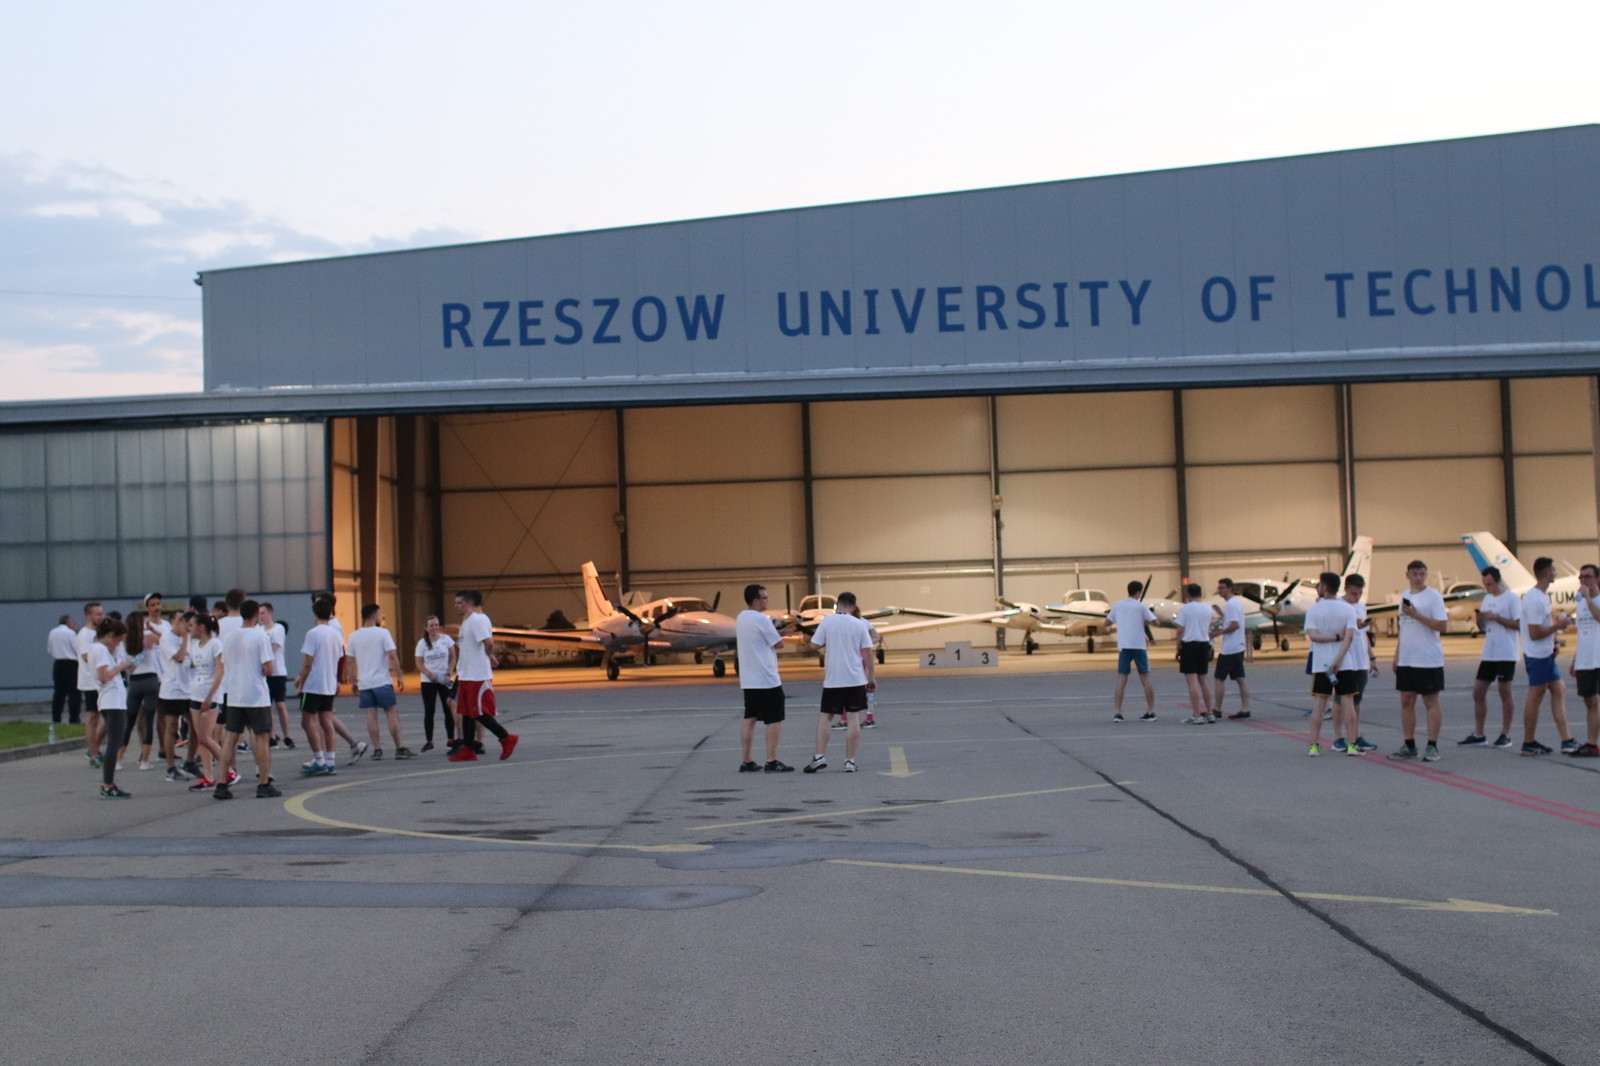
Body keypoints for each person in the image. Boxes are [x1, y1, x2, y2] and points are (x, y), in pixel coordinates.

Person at [209, 599, 278, 799]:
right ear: (256, 615)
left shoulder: (229, 637)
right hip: (255, 694)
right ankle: (263, 783)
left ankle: (222, 783)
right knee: (261, 737)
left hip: (234, 693)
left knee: (229, 739)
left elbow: (225, 663)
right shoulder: (260, 636)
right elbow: (268, 668)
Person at [803, 591, 876, 773]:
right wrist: (871, 678)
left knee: (826, 717)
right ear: (853, 607)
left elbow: (814, 645)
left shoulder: (827, 622)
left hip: (834, 679)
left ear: (837, 606)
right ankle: (850, 761)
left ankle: (820, 756)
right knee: (853, 717)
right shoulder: (859, 624)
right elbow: (868, 653)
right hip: (855, 679)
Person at [448, 590, 518, 762]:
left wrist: (488, 654)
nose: (456, 606)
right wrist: (489, 656)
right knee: (466, 713)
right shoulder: (467, 621)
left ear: (469, 603)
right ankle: (468, 749)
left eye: (459, 603)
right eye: (455, 603)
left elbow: (488, 642)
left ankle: (505, 737)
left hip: (476, 675)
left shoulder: (477, 620)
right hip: (466, 674)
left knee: (478, 712)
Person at [1390, 559, 1448, 762]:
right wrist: (1397, 655)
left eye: (1422, 573)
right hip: (1408, 658)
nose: (1418, 577)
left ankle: (1432, 745)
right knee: (1406, 700)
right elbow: (1404, 628)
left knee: (1430, 701)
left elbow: (1441, 625)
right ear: (1407, 575)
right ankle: (1409, 744)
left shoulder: (1433, 597)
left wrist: (1416, 615)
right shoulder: (1405, 596)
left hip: (1427, 658)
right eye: (1414, 574)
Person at [1519, 556, 1576, 756]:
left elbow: (1543, 626)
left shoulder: (1543, 596)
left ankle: (1567, 739)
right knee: (1536, 695)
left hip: (1546, 653)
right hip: (1537, 655)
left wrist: (1554, 642)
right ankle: (1529, 741)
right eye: (1553, 570)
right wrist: (1557, 626)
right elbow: (1535, 633)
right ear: (1548, 573)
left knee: (1559, 689)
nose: (1555, 573)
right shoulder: (1534, 599)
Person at [1459, 566, 1520, 748]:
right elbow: (1484, 627)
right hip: (1489, 652)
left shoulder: (1511, 598)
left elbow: (1518, 624)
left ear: (1498, 581)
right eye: (1485, 584)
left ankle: (1506, 733)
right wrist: (1480, 620)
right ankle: (1479, 733)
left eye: (1490, 584)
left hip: (1506, 652)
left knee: (1504, 692)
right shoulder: (1487, 599)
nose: (1488, 588)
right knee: (1478, 692)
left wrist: (1497, 618)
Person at [735, 584, 794, 772]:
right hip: (766, 678)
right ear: (756, 601)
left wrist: (778, 633)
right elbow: (779, 645)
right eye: (764, 598)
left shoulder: (741, 618)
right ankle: (771, 760)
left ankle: (746, 760)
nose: (767, 601)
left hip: (749, 678)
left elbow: (758, 638)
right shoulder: (762, 619)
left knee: (750, 717)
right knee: (774, 718)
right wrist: (780, 635)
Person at [348, 603, 413, 760]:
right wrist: (400, 676)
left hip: (365, 682)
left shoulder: (354, 636)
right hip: (382, 681)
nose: (380, 617)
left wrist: (353, 681)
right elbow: (392, 655)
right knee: (391, 712)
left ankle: (377, 749)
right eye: (379, 614)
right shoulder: (383, 633)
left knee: (371, 716)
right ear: (374, 616)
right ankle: (399, 747)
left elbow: (350, 662)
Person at [1303, 572, 1358, 757]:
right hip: (1344, 663)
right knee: (1348, 702)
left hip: (1321, 663)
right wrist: (1338, 659)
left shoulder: (1314, 610)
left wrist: (1331, 640)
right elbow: (1349, 638)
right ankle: (1352, 744)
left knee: (1319, 703)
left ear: (1325, 587)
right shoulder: (1348, 609)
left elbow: (1313, 636)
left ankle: (1314, 744)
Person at [294, 594, 345, 776]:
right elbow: (339, 658)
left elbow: (308, 662)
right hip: (328, 683)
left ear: (315, 613)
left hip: (314, 684)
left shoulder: (313, 633)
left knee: (307, 722)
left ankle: (319, 759)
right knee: (326, 721)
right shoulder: (336, 634)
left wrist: (301, 681)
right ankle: (330, 760)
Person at [89, 618, 136, 798]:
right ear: (110, 636)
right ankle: (107, 784)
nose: (118, 644)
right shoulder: (100, 650)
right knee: (114, 743)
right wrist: (121, 667)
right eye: (118, 640)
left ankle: (109, 783)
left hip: (112, 700)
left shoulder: (99, 649)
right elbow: (103, 676)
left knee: (115, 741)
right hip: (111, 700)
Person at [184, 614, 227, 790]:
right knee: (200, 738)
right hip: (196, 693)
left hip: (210, 695)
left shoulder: (215, 644)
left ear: (201, 627)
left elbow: (220, 671)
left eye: (191, 625)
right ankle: (208, 776)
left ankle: (228, 768)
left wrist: (210, 696)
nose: (188, 628)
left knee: (205, 736)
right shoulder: (194, 645)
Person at [1337, 574, 1377, 753]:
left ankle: (1356, 734)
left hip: (1361, 660)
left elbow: (1364, 635)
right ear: (1346, 589)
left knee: (1357, 700)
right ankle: (1339, 737)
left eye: (1360, 593)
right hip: (1346, 659)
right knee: (1340, 700)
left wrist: (1372, 657)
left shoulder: (1361, 606)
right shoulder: (1338, 606)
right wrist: (1354, 626)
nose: (1357, 597)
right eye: (1354, 593)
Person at [1106, 581, 1158, 722]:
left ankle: (1118, 712)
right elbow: (1156, 622)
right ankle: (1151, 711)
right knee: (1145, 678)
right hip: (1139, 646)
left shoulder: (1118, 605)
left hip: (1124, 646)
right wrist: (1146, 619)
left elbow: (1106, 622)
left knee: (1121, 679)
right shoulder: (1141, 606)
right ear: (1139, 592)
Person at [155, 611, 194, 781]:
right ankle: (171, 766)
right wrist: (185, 639)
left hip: (190, 688)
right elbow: (179, 657)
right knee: (171, 727)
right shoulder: (167, 638)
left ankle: (190, 761)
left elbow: (193, 660)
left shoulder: (191, 638)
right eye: (180, 621)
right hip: (172, 689)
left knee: (196, 727)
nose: (184, 625)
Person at [122, 607, 161, 772]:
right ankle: (145, 760)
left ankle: (118, 759)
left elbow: (128, 663)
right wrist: (152, 628)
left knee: (129, 721)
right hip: (150, 679)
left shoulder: (126, 641)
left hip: (135, 681)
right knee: (149, 720)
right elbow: (165, 640)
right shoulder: (149, 637)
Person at [1569, 564, 1600, 758]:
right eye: (1581, 577)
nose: (1583, 581)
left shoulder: (1591, 600)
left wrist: (1588, 599)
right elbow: (1581, 632)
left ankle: (1592, 742)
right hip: (1585, 659)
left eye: (1588, 577)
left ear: (1597, 579)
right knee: (1589, 701)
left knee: (1595, 702)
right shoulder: (1580, 602)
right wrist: (1576, 659)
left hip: (1598, 658)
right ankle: (1591, 743)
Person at [415, 615, 458, 752]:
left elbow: (453, 658)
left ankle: (451, 739)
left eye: (436, 625)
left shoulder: (446, 640)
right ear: (426, 628)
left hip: (444, 679)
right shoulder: (422, 643)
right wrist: (429, 674)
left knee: (448, 709)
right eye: (431, 625)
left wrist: (449, 674)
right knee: (429, 710)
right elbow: (419, 662)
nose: (434, 628)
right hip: (428, 681)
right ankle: (429, 741)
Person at [1211, 578, 1251, 720]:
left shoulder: (1231, 604)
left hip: (1230, 648)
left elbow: (1235, 624)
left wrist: (1218, 633)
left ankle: (1217, 709)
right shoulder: (1234, 604)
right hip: (1238, 646)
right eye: (1219, 588)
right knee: (1240, 678)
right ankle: (1245, 708)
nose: (1220, 590)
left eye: (1222, 588)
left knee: (1219, 677)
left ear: (1230, 588)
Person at [1175, 583, 1214, 724]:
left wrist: (1177, 649)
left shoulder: (1185, 608)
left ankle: (1196, 714)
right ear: (1201, 593)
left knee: (1192, 681)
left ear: (1188, 594)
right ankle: (1210, 712)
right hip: (1204, 644)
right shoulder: (1207, 608)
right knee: (1203, 679)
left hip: (1190, 644)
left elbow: (1180, 630)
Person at [259, 603, 295, 750]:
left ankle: (287, 735)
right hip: (264, 672)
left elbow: (275, 646)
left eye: (263, 613)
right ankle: (272, 735)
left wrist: (263, 654)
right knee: (267, 706)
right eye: (259, 614)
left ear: (270, 613)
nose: (261, 616)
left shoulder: (278, 628)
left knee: (280, 704)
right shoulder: (258, 630)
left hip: (277, 672)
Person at [75, 602, 105, 767]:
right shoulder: (84, 634)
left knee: (107, 717)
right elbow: (86, 656)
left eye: (101, 613)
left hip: (101, 681)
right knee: (93, 716)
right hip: (90, 681)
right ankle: (93, 752)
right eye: (97, 614)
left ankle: (95, 747)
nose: (101, 617)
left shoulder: (101, 632)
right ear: (89, 616)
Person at [48, 614, 81, 725]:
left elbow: (49, 649)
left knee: (58, 692)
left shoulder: (52, 632)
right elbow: (77, 648)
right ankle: (74, 718)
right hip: (71, 663)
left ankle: (56, 717)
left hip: (58, 663)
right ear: (68, 622)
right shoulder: (70, 633)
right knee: (74, 692)